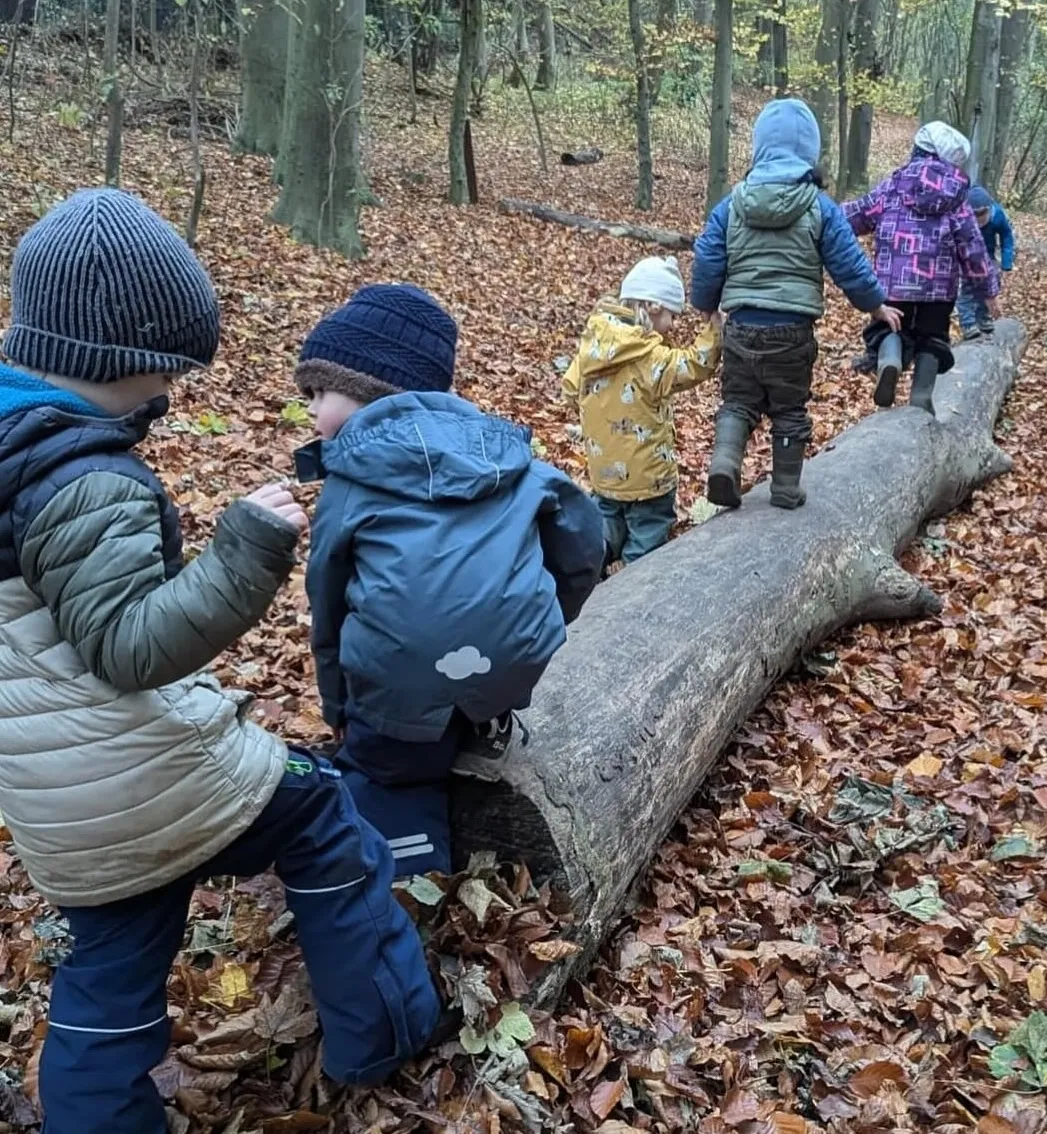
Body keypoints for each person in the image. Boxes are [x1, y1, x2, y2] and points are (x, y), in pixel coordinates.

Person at [0, 190, 441, 1134]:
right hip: (143, 770)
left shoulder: (12, 443)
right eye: (164, 371)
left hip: (52, 802)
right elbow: (134, 647)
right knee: (321, 813)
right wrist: (245, 546)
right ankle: (385, 1030)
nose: (169, 395)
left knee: (113, 956)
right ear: (113, 357)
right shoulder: (80, 476)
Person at [294, 284, 604, 877]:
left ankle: (410, 872)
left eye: (320, 391)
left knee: (386, 765)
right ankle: (479, 723)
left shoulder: (350, 480)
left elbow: (328, 598)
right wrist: (545, 614)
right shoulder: (502, 454)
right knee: (459, 667)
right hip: (510, 660)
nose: (309, 408)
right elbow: (584, 538)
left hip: (401, 676)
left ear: (368, 392)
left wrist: (338, 703)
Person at [691, 97, 902, 511]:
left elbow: (708, 256)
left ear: (759, 148)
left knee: (738, 401)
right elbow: (848, 263)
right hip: (792, 331)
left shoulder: (733, 204)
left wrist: (706, 304)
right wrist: (876, 305)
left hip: (742, 328)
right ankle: (786, 488)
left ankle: (724, 464)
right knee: (789, 408)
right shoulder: (818, 206)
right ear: (809, 150)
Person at [562, 255, 721, 568]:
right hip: (649, 478)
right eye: (672, 316)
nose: (672, 325)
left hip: (604, 471)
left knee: (608, 519)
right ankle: (632, 575)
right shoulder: (646, 356)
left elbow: (570, 389)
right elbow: (690, 365)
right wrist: (714, 332)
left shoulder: (594, 343)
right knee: (648, 529)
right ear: (653, 307)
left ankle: (597, 561)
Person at [843, 121, 1000, 416]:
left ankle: (890, 358)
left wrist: (825, 219)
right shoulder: (956, 200)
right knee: (933, 338)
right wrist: (988, 290)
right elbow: (973, 247)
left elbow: (859, 214)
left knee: (888, 327)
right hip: (938, 289)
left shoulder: (893, 186)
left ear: (918, 151)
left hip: (893, 282)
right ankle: (921, 394)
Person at [959, 184, 1015, 339]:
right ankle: (968, 323)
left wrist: (1006, 262)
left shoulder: (998, 216)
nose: (979, 218)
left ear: (989, 208)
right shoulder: (962, 219)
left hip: (988, 256)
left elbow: (1007, 237)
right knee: (967, 289)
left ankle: (983, 317)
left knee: (991, 286)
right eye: (974, 214)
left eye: (982, 213)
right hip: (967, 258)